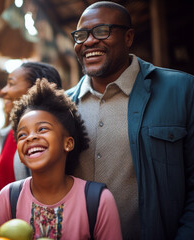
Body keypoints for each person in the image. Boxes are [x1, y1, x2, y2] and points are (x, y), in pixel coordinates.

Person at [65, 1, 194, 239]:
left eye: (102, 31)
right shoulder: (62, 107)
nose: (89, 41)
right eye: (81, 35)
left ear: (128, 37)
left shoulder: (182, 91)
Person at [0, 79, 122, 240]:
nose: (31, 137)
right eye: (22, 135)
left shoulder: (99, 200)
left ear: (67, 143)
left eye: (42, 129)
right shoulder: (8, 197)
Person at [0, 62, 63, 191]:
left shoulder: (52, 138)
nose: (3, 91)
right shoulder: (6, 134)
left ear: (35, 89)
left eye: (11, 84)